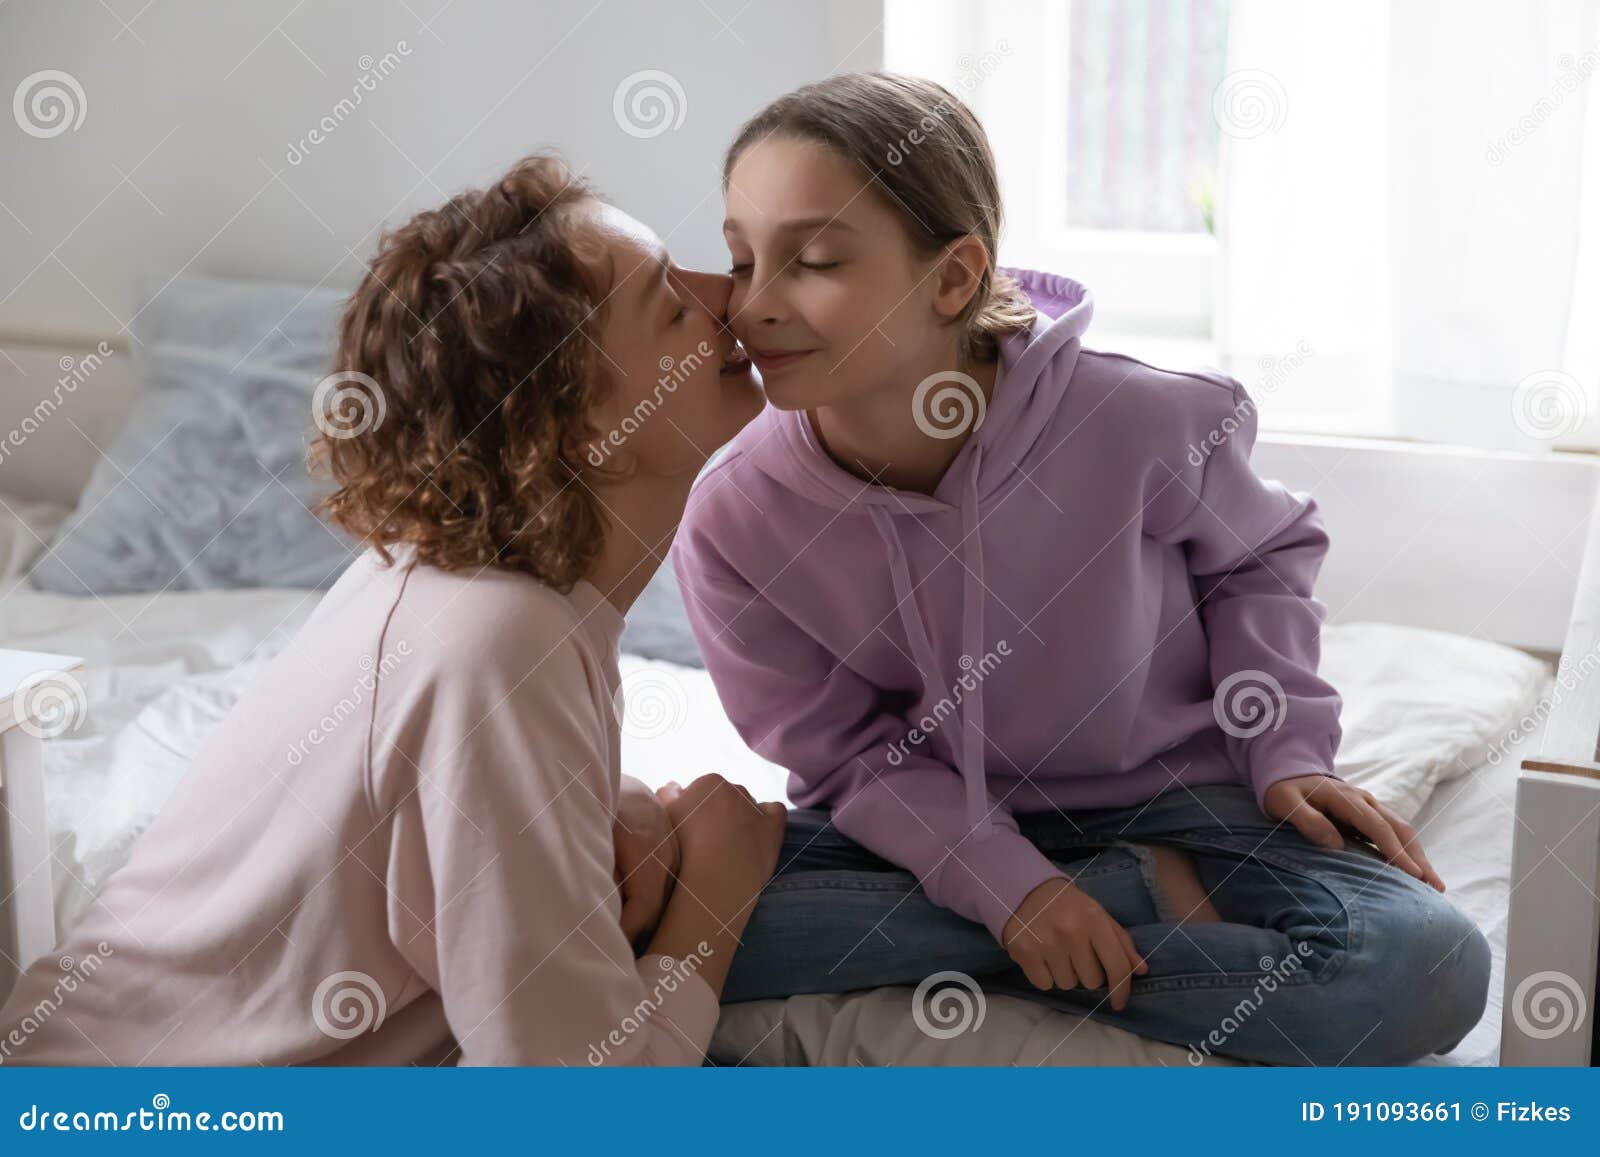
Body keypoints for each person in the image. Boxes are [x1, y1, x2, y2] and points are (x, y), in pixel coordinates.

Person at [673, 73, 1491, 1065]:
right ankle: (1137, 892)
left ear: (951, 275)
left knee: (1421, 966)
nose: (754, 305)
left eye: (812, 261)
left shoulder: (1140, 420)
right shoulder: (731, 518)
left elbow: (1261, 558)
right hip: (935, 823)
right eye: (740, 257)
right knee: (657, 940)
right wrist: (1009, 886)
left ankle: (1091, 904)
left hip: (1188, 808)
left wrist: (1285, 747)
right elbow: (848, 755)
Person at [0, 154, 785, 1067]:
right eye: (669, 302)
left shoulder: (460, 581)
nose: (723, 292)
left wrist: (621, 807)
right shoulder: (502, 643)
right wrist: (715, 904)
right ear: (578, 424)